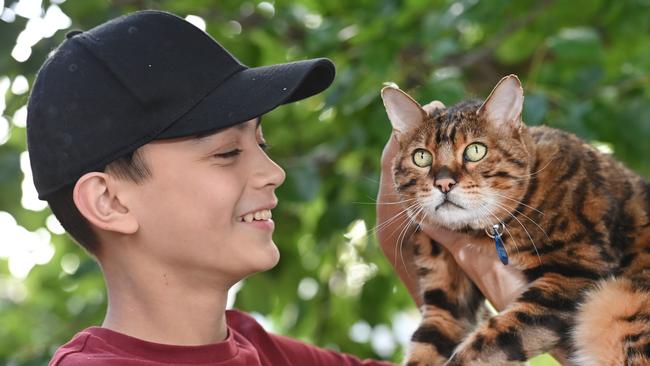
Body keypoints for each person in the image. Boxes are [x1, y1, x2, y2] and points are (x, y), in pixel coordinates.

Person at [26, 10, 525, 366]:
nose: (274, 172)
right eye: (227, 152)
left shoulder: (256, 345)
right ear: (109, 201)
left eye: (261, 141)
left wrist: (434, 269)